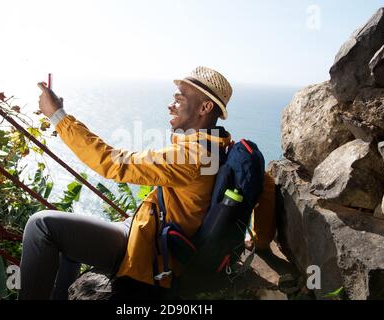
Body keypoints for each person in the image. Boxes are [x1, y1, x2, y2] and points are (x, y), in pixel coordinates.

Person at [18, 66, 275, 300]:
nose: (170, 105)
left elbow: (112, 163)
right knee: (67, 237)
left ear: (205, 108)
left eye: (179, 98)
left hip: (149, 251)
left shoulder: (191, 157)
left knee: (41, 226)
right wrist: (261, 242)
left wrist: (57, 116)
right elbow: (265, 185)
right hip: (153, 233)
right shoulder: (221, 148)